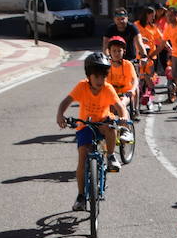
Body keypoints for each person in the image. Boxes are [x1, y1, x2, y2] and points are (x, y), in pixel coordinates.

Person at [55, 52, 130, 211]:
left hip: (102, 123)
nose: (100, 80)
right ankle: (81, 196)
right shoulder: (82, 86)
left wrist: (123, 117)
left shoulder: (108, 89)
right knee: (82, 158)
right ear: (89, 76)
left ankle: (110, 156)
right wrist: (60, 115)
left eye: (103, 76)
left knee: (110, 126)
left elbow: (120, 107)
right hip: (86, 126)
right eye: (97, 76)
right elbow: (65, 102)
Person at [104, 37, 139, 130]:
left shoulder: (127, 64)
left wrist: (132, 89)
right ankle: (108, 127)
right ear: (109, 52)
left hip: (126, 93)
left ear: (124, 51)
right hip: (112, 93)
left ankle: (126, 129)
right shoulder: (107, 65)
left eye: (119, 51)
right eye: (114, 51)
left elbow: (135, 79)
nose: (116, 53)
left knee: (122, 104)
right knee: (106, 107)